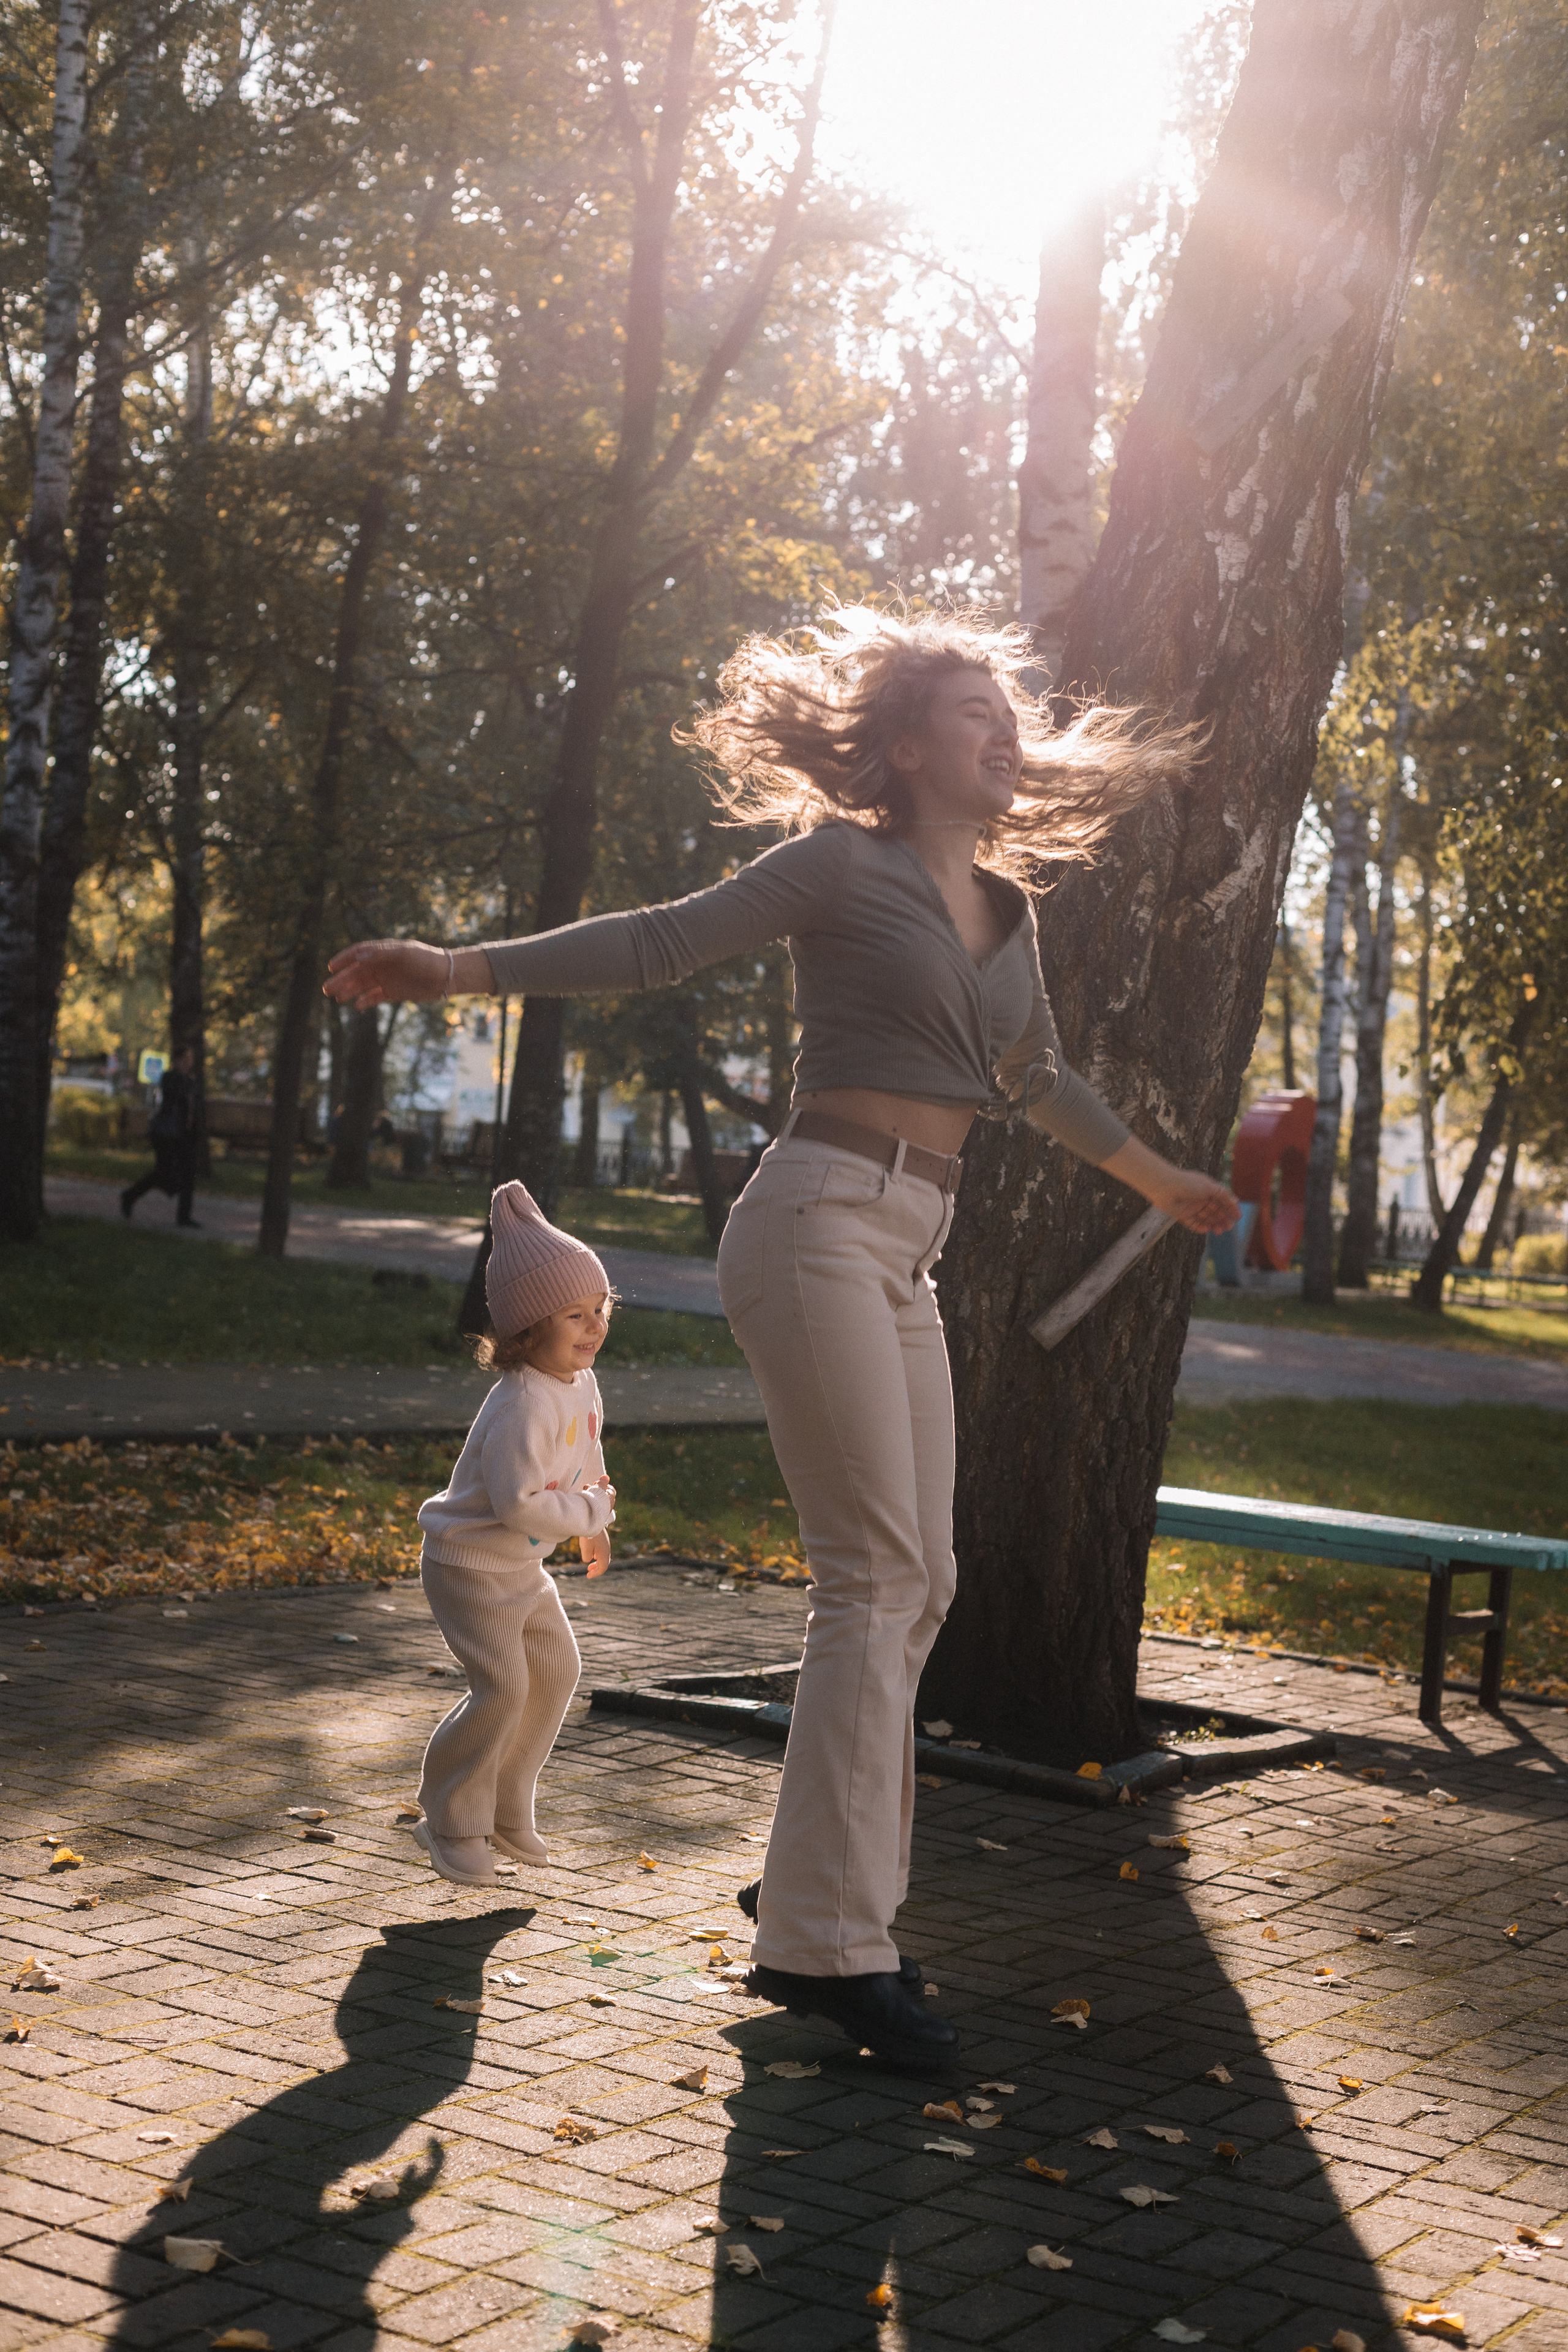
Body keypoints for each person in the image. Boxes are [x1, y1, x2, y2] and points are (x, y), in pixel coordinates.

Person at [324, 606, 1238, 2056]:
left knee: (917, 1574)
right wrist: (458, 967)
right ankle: (824, 1947)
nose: (1002, 730)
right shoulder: (839, 863)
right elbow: (657, 943)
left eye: (1010, 712)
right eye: (968, 711)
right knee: (872, 1574)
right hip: (813, 1215)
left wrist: (1160, 1175)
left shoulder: (1010, 912)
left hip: (906, 1244)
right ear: (897, 744)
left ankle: (811, 1881)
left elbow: (1041, 1077)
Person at [410, 1181, 617, 1889]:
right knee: (501, 1688)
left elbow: (588, 1455)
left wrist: (594, 1525)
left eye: (601, 1309)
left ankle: (504, 1805)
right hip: (468, 1566)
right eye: (574, 1314)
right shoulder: (523, 1403)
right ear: (528, 1330)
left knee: (557, 1671)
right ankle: (449, 1819)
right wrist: (590, 1515)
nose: (593, 1326)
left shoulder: (578, 1381)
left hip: (520, 1570)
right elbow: (523, 1505)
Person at [120, 1046, 200, 1227]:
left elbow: (192, 1109)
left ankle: (184, 1216)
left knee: (188, 1174)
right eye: (186, 1058)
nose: (190, 1063)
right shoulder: (171, 1078)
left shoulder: (190, 1081)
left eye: (191, 1059)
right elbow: (173, 1100)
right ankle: (131, 1195)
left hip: (184, 1134)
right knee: (163, 1172)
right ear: (178, 1060)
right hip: (168, 1134)